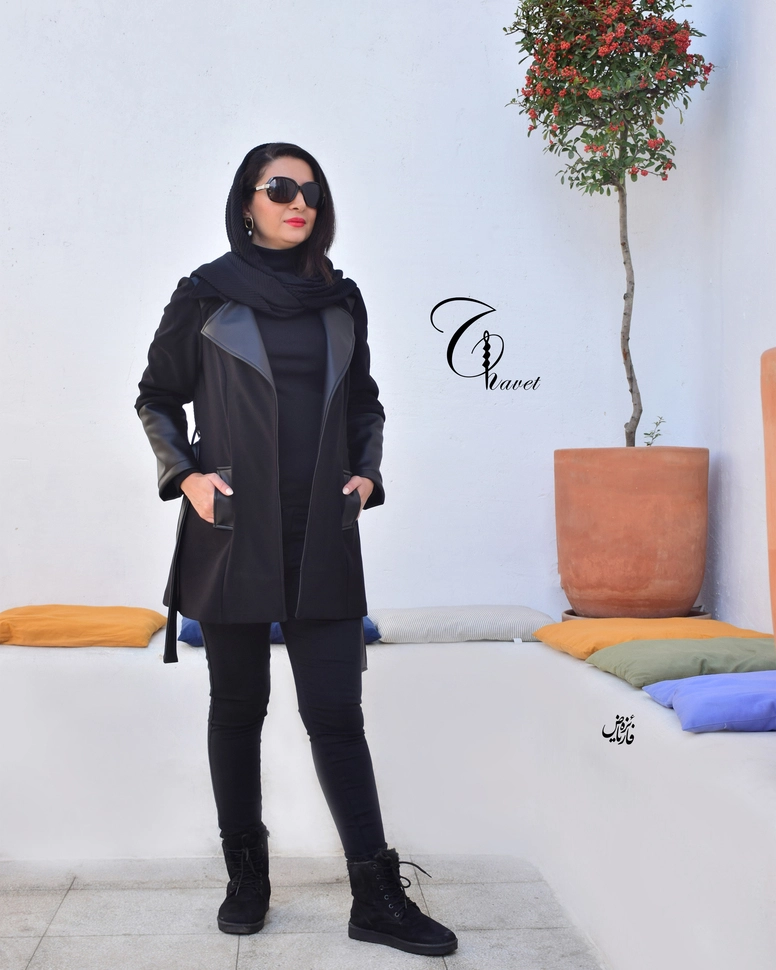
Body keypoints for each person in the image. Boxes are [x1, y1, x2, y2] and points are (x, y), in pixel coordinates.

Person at [135, 142, 457, 956]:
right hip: (233, 530)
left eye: (310, 191)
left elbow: (365, 404)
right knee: (238, 708)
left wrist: (366, 475)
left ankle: (376, 898)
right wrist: (187, 477)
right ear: (247, 202)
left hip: (322, 531)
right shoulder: (204, 295)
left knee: (336, 715)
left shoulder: (341, 300)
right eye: (279, 188)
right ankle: (247, 877)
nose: (298, 202)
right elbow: (156, 396)